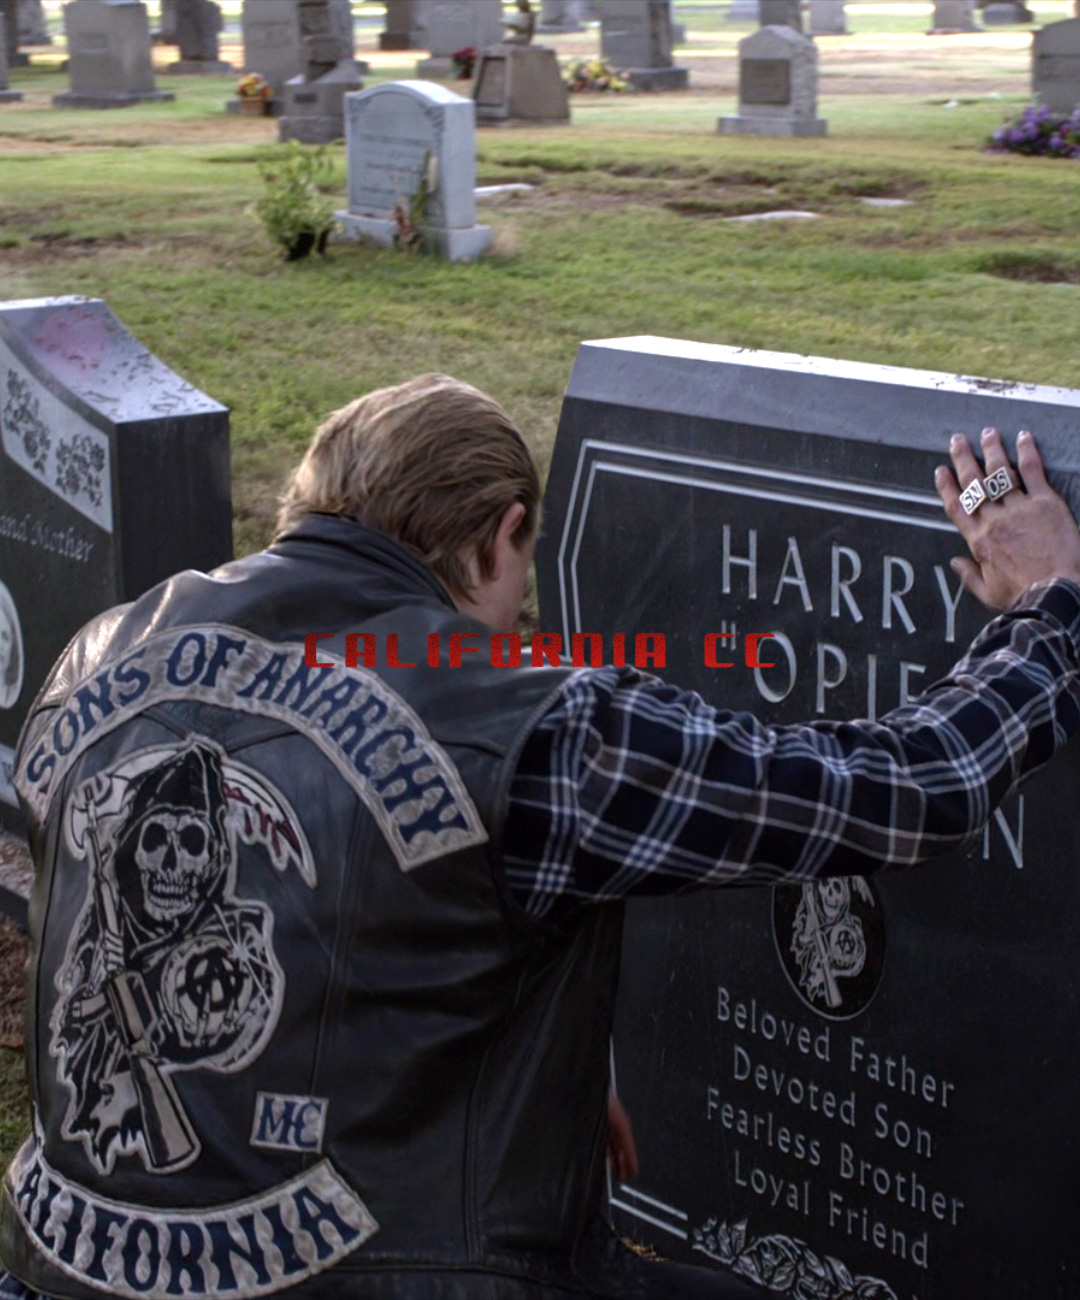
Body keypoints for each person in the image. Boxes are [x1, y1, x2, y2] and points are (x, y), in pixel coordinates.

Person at [3, 373, 1080, 1300]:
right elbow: (910, 787)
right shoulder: (533, 728)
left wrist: (530, 1067)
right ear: (502, 536)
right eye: (523, 577)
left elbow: (295, 913)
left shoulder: (100, 657)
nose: (521, 614)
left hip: (67, 1264)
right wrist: (1051, 602)